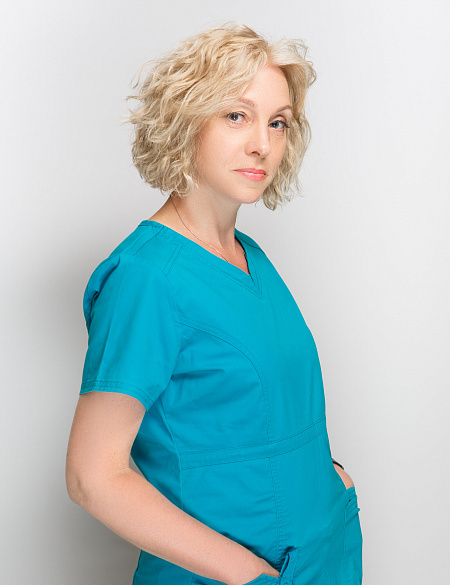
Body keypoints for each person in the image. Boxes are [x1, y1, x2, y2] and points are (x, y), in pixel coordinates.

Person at [66, 21, 363, 585]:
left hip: (323, 552)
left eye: (277, 122)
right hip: (239, 573)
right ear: (185, 121)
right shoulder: (146, 277)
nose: (262, 144)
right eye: (236, 116)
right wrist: (251, 575)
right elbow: (92, 477)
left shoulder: (249, 256)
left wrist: (332, 480)